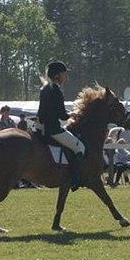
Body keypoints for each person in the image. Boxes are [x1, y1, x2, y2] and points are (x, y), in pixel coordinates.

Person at [36, 61, 84, 191]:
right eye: (64, 74)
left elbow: (41, 112)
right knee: (80, 148)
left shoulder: (44, 88)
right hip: (53, 130)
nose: (65, 77)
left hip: (40, 128)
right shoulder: (56, 91)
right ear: (57, 76)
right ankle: (74, 179)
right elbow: (62, 115)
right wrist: (73, 114)